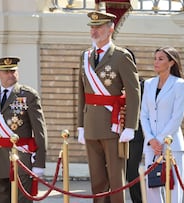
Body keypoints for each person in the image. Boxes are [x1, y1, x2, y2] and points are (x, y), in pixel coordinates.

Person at [77, 11, 140, 203]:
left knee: (115, 179)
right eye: (92, 27)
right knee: (97, 179)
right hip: (91, 124)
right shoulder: (85, 56)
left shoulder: (121, 56)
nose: (94, 31)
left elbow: (134, 91)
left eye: (99, 27)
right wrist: (80, 125)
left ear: (110, 29)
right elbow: (82, 93)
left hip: (113, 126)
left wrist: (130, 126)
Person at [0, 57, 47, 203]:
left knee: (22, 200)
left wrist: (39, 162)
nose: (11, 74)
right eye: (6, 72)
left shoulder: (28, 95)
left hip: (21, 159)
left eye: (13, 71)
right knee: (3, 199)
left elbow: (40, 131)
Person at [140, 46, 184, 203]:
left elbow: (177, 116)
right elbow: (144, 114)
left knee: (173, 187)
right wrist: (151, 139)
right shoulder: (148, 84)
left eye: (160, 59)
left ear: (171, 63)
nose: (156, 62)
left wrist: (160, 140)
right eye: (155, 58)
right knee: (151, 187)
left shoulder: (180, 84)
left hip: (171, 144)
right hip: (151, 145)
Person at [124, 49, 144, 203]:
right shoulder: (112, 84)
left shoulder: (143, 85)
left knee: (131, 172)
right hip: (113, 134)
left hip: (135, 135)